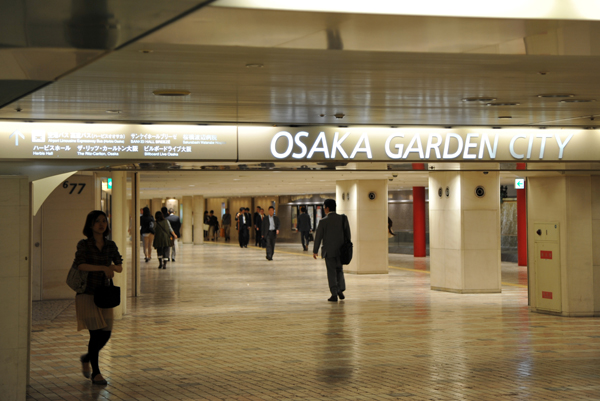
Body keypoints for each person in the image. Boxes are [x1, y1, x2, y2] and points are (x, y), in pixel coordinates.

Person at [74, 210, 123, 385]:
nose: (102, 224)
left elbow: (119, 266)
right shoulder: (84, 245)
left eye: (104, 221)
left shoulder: (111, 245)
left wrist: (112, 267)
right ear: (90, 225)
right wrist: (103, 268)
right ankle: (96, 373)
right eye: (97, 221)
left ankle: (86, 357)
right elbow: (80, 265)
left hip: (104, 294)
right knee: (95, 335)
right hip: (87, 294)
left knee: (106, 334)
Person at [313, 199, 351, 302]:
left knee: (331, 272)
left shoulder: (323, 221)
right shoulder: (343, 219)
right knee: (339, 270)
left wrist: (315, 250)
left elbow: (318, 237)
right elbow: (348, 234)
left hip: (329, 252)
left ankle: (334, 293)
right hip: (341, 251)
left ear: (327, 208)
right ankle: (340, 289)